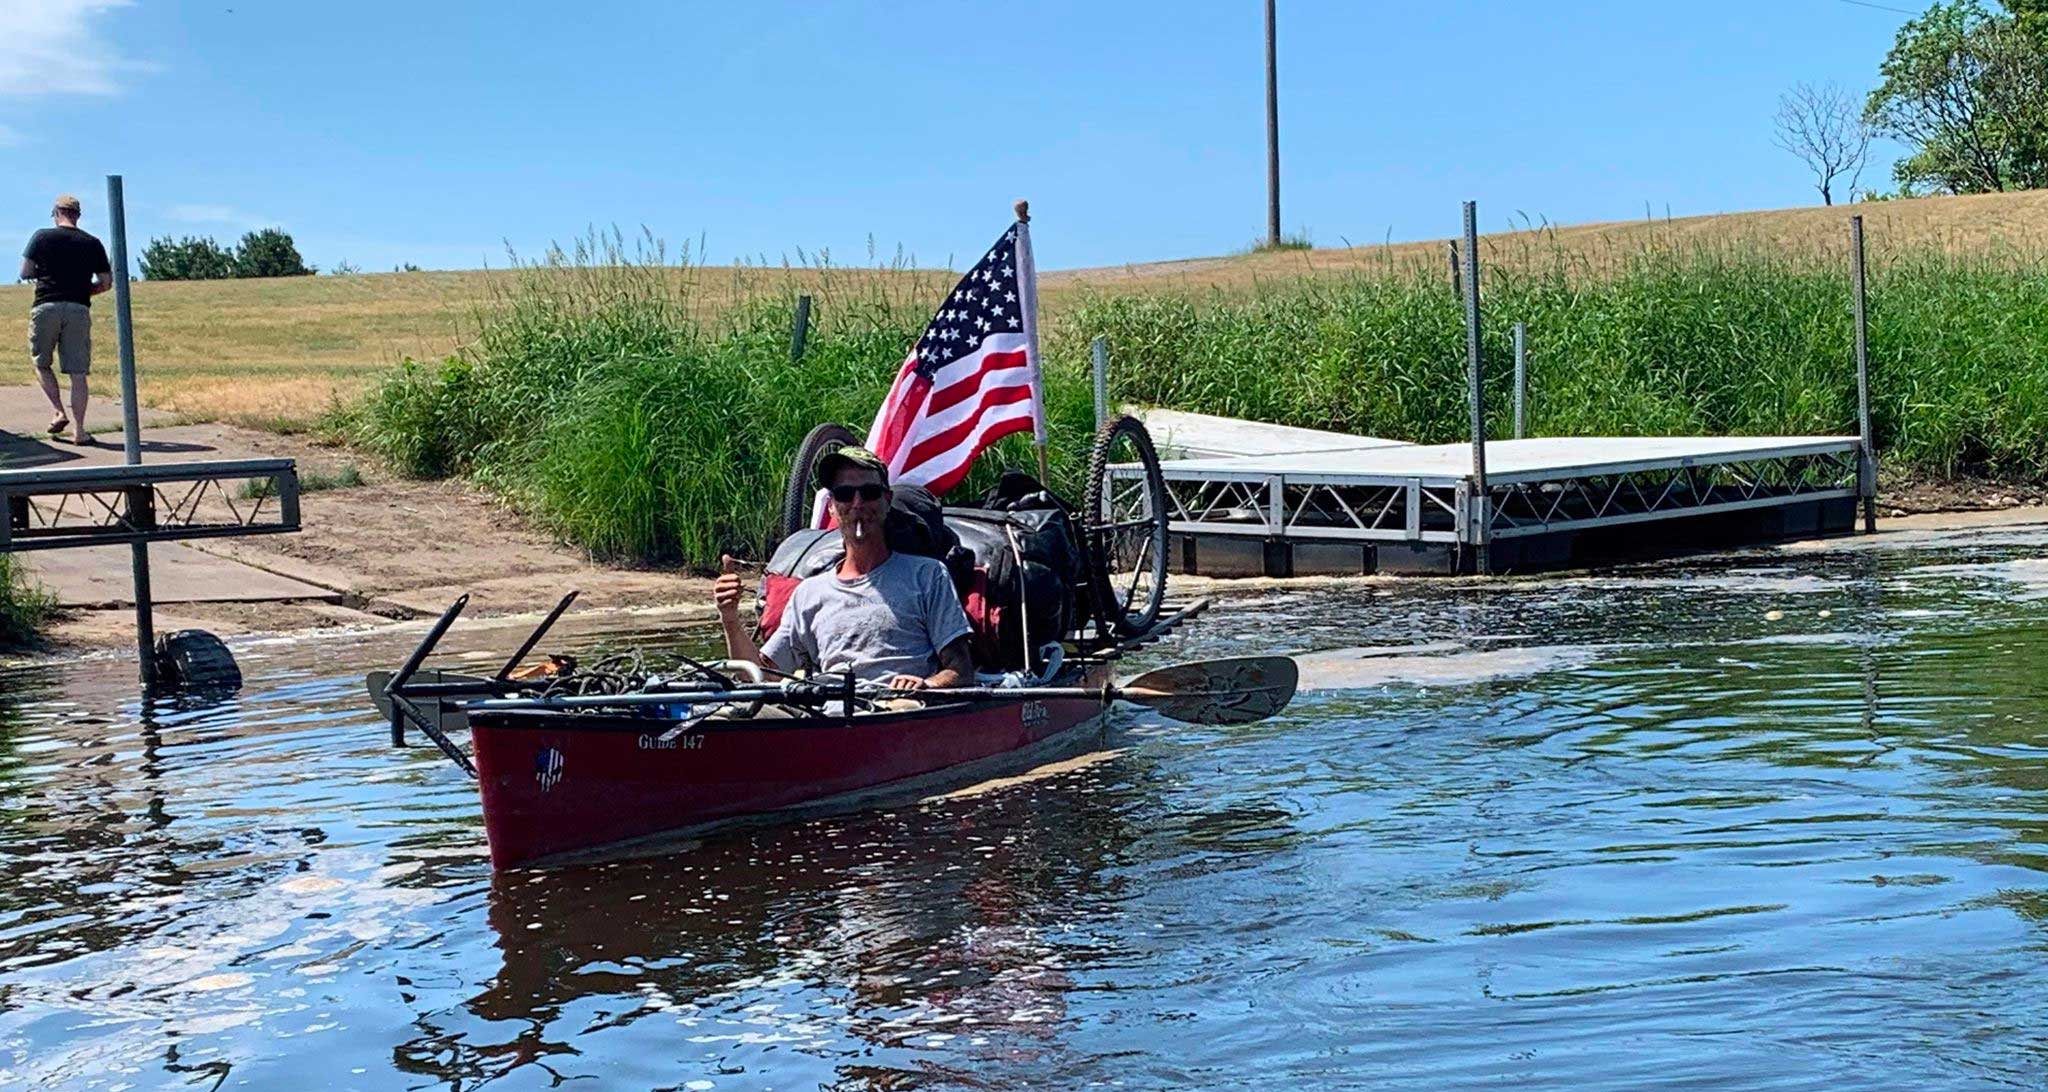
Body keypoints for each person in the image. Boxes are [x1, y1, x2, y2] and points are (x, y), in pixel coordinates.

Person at [715, 444, 975, 691]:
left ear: (886, 500)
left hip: (901, 710)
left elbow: (960, 670)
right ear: (832, 506)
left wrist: (926, 685)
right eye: (844, 494)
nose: (857, 504)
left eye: (869, 493)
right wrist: (729, 617)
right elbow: (761, 676)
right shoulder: (808, 593)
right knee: (723, 718)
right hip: (827, 716)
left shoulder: (927, 575)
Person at [20, 194, 113, 445]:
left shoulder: (41, 237)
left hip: (46, 305)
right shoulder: (92, 243)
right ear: (78, 215)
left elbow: (25, 272)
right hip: (78, 308)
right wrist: (84, 290)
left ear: (55, 212)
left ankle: (58, 411)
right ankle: (80, 431)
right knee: (78, 373)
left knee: (41, 363)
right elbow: (105, 283)